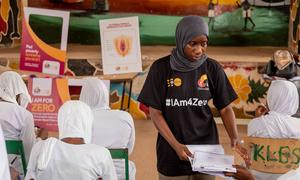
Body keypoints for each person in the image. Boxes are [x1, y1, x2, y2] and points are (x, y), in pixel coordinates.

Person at [138, 15, 248, 179]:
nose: (199, 50)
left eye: (203, 44)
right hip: (171, 153)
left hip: (207, 152)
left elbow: (225, 108)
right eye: (192, 44)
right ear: (181, 40)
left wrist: (234, 138)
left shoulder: (212, 68)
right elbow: (155, 112)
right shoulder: (160, 68)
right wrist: (176, 145)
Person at [25, 100, 117, 180]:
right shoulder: (101, 153)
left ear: (61, 121)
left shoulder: (41, 147)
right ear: (88, 122)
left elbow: (30, 177)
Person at [79, 78, 136, 180]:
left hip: (91, 175)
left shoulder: (81, 119)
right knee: (131, 166)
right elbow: (129, 150)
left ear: (83, 96)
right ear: (105, 94)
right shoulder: (125, 117)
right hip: (120, 175)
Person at [248, 80, 300, 179]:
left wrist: (257, 119)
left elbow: (251, 150)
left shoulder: (255, 124)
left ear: (271, 98)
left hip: (258, 176)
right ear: (293, 99)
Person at [0, 71, 47, 174]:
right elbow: (29, 149)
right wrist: (40, 139)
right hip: (14, 170)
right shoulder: (24, 115)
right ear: (17, 92)